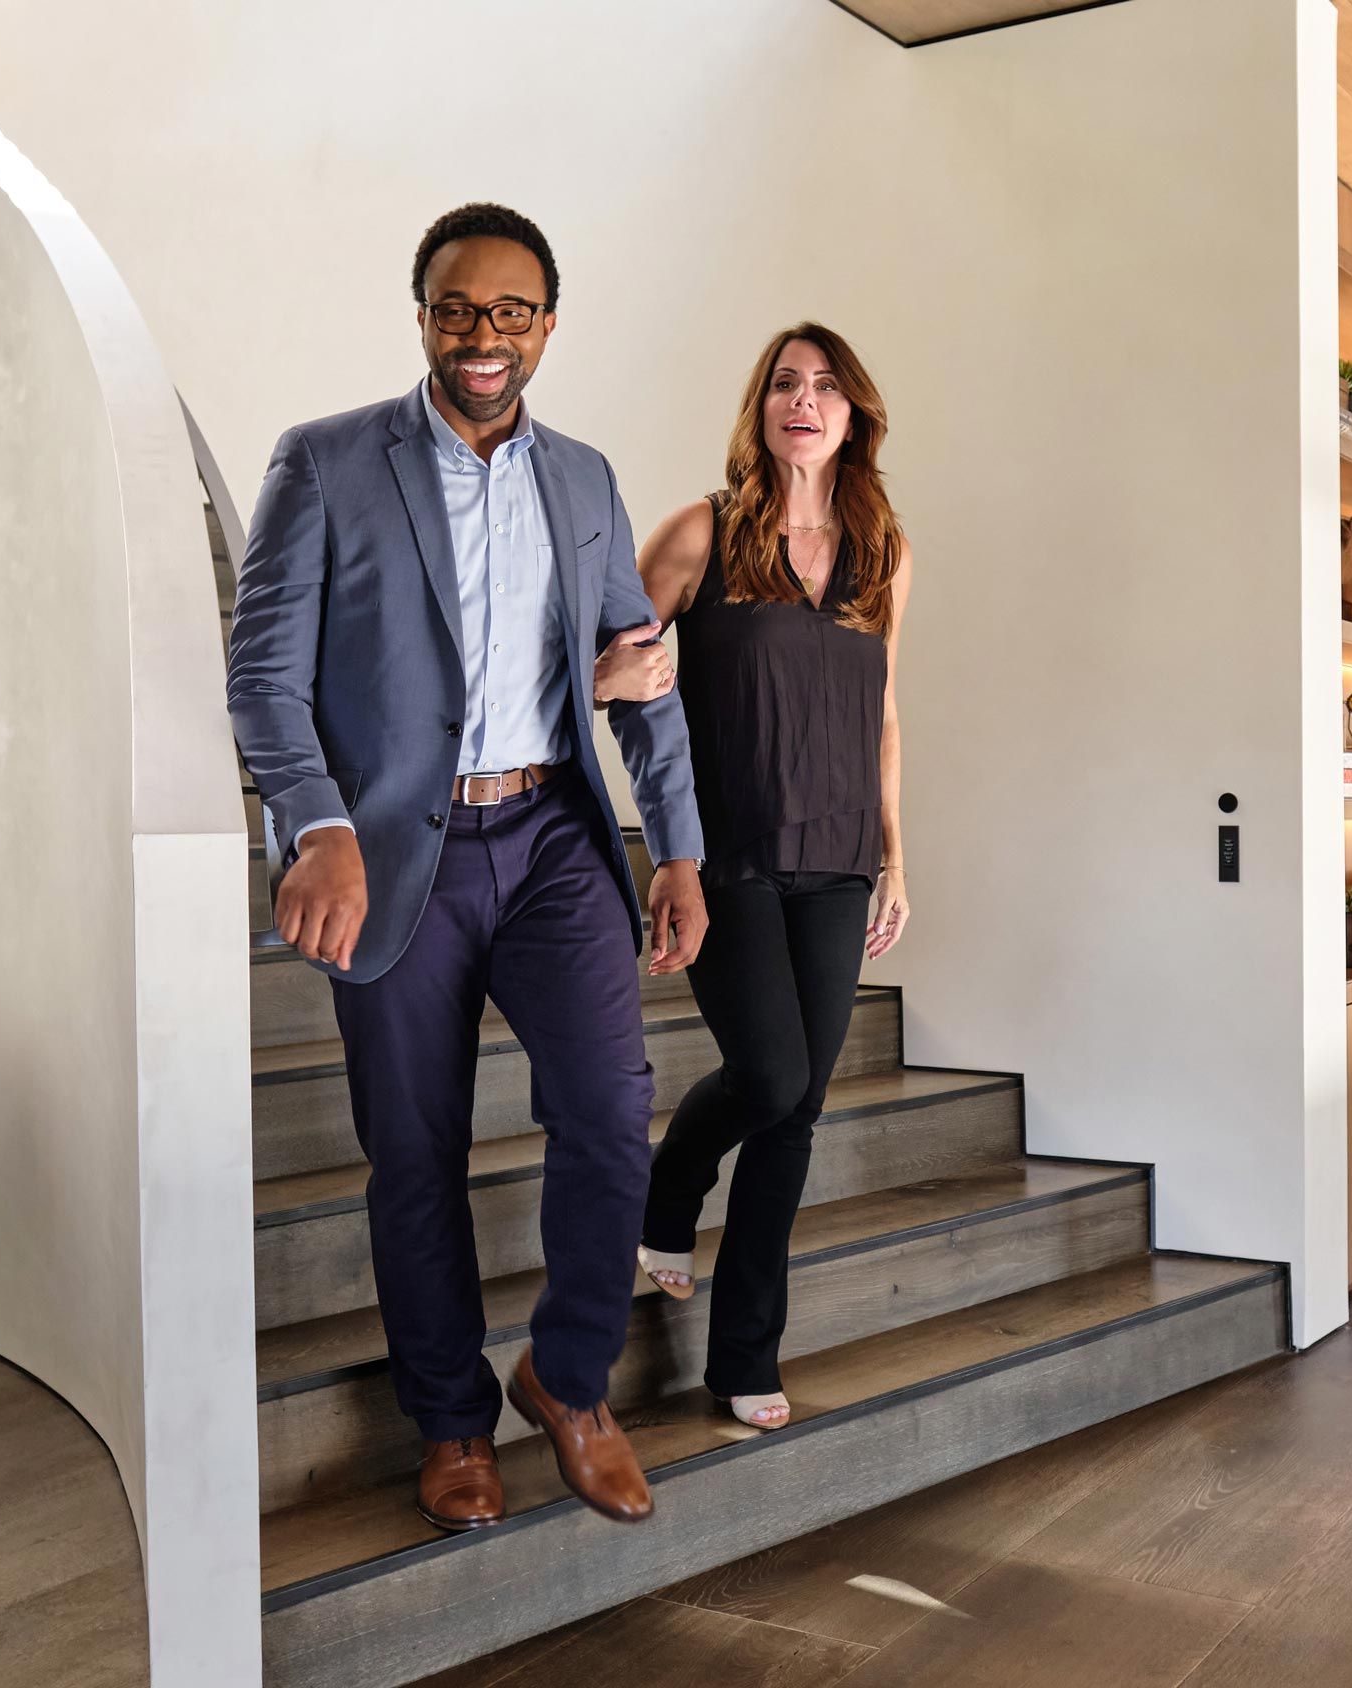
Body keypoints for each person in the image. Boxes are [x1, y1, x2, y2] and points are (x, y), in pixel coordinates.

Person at [226, 203, 709, 1533]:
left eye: (512, 313)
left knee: (612, 1115)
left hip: (554, 837)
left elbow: (643, 677)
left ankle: (568, 1381)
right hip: (396, 854)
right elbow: (262, 679)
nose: (483, 336)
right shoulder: (323, 465)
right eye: (456, 308)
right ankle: (450, 1420)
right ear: (422, 312)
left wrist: (677, 844)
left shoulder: (586, 479)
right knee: (415, 1149)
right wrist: (317, 828)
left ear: (548, 323)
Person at [595, 322, 913, 1433]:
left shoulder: (884, 549)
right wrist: (609, 675)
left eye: (826, 386)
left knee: (797, 1112)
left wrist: (895, 856)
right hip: (723, 854)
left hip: (837, 860)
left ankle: (743, 1358)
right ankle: (669, 1190)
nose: (804, 400)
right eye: (786, 382)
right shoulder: (705, 532)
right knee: (772, 1078)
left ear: (853, 414)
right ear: (761, 405)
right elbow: (607, 663)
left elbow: (879, 707)